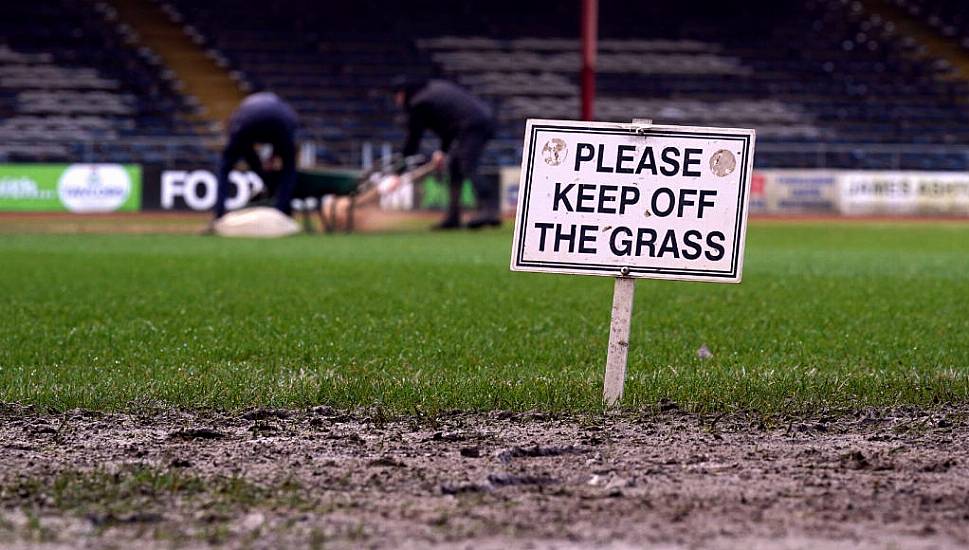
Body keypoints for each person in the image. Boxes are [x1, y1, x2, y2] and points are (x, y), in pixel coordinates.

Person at [392, 78, 499, 229]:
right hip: (477, 122)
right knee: (455, 167)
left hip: (474, 125)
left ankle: (489, 211)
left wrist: (398, 173)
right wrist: (442, 151)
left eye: (396, 97)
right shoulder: (433, 89)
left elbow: (413, 140)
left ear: (402, 94)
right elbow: (448, 127)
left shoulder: (419, 103)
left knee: (467, 165)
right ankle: (453, 217)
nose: (397, 102)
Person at [214, 92, 298, 220]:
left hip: (247, 121)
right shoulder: (282, 107)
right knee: (289, 168)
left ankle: (219, 215)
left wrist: (258, 167)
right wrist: (271, 160)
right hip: (280, 122)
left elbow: (244, 148)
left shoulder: (246, 106)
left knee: (224, 168)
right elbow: (290, 131)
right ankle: (281, 212)